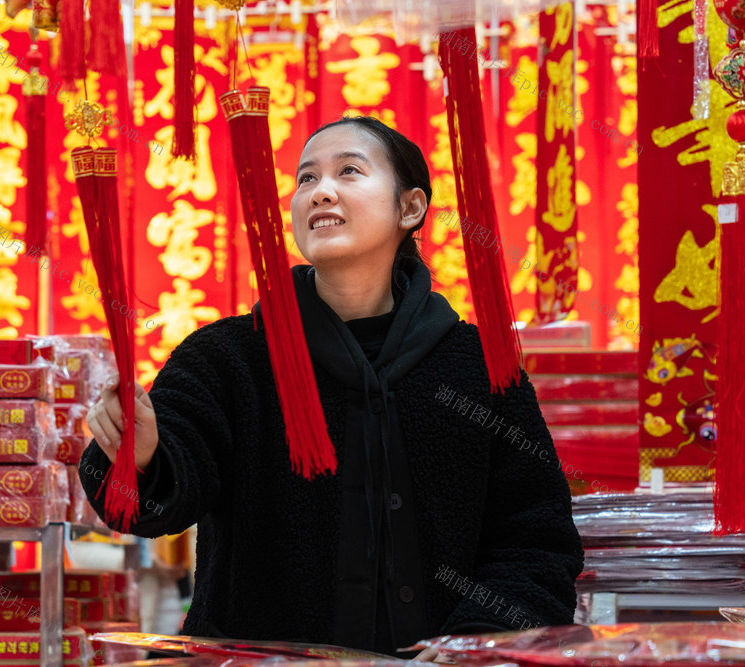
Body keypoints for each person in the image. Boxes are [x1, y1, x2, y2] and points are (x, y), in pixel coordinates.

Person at [80, 116, 584, 660]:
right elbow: (150, 500)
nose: (320, 191)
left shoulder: (480, 366)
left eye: (349, 171)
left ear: (410, 208)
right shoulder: (229, 355)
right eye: (305, 179)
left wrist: (475, 641)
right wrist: (143, 455)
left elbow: (536, 540)